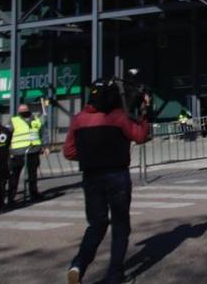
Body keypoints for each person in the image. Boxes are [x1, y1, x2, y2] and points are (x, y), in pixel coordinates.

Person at [64, 78, 152, 284]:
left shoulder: (79, 119)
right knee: (120, 225)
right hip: (117, 175)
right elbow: (139, 136)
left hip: (91, 176)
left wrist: (89, 155)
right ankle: (114, 274)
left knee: (96, 224)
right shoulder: (117, 117)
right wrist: (144, 114)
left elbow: (69, 152)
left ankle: (78, 264)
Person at [8, 101, 45, 204]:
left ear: (29, 110)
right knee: (14, 176)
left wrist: (43, 146)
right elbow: (8, 135)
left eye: (25, 110)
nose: (23, 112)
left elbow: (42, 133)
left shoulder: (36, 120)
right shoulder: (13, 121)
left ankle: (34, 193)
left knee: (32, 174)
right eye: (21, 110)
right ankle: (11, 197)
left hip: (33, 151)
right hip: (17, 152)